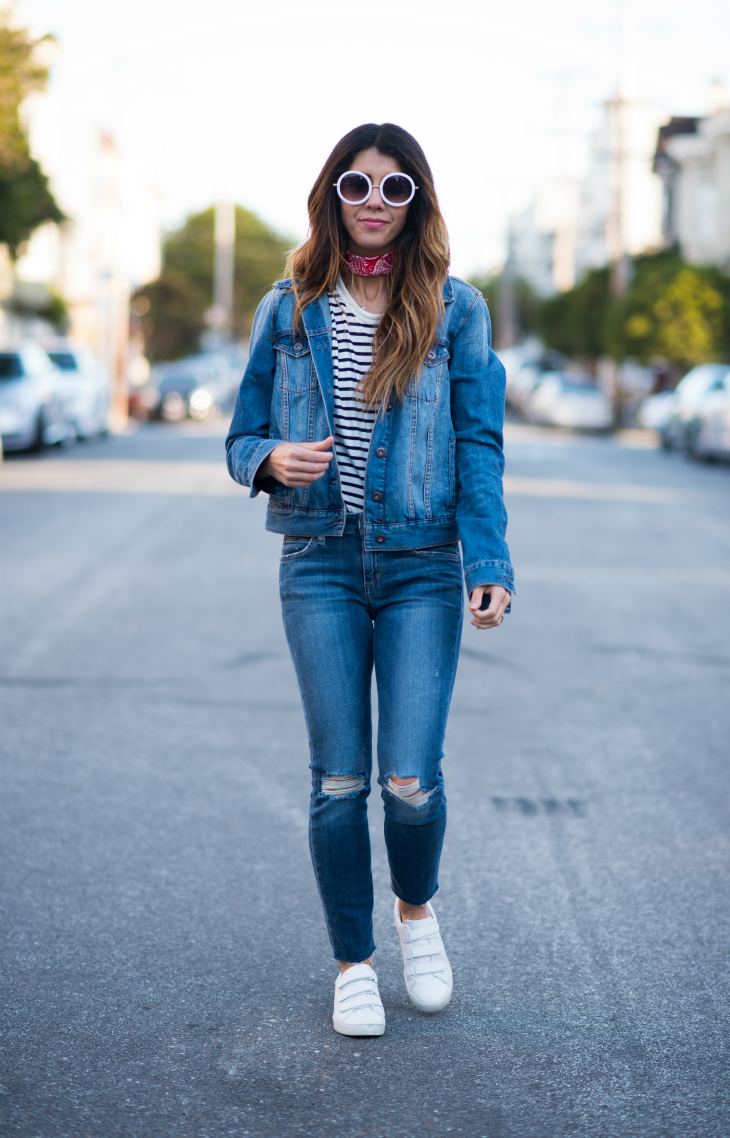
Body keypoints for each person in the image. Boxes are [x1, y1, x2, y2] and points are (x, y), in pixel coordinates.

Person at [226, 123, 513, 1037]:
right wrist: (271, 459)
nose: (376, 205)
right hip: (319, 564)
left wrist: (489, 561)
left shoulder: (456, 310)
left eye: (396, 189)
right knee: (340, 780)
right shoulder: (288, 306)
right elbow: (238, 439)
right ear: (333, 194)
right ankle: (353, 962)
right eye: (358, 186)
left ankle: (416, 915)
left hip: (425, 566)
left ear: (418, 201)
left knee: (410, 780)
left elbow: (479, 444)